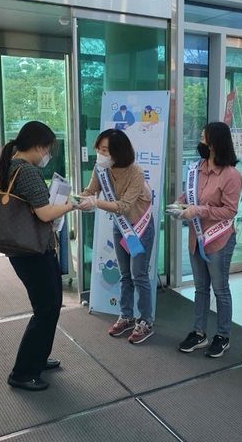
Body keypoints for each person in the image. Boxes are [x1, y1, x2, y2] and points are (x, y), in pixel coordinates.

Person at [0, 121, 78, 391]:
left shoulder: (12, 166)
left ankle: (38, 358)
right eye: (48, 149)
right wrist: (70, 205)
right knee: (46, 308)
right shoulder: (27, 171)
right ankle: (23, 372)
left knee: (49, 305)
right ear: (39, 146)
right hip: (33, 251)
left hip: (27, 250)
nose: (48, 154)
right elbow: (44, 213)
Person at [78, 129, 155, 344]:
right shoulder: (100, 169)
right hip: (120, 227)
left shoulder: (135, 172)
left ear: (118, 152)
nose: (100, 154)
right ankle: (126, 315)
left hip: (139, 228)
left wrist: (95, 202)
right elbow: (90, 191)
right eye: (99, 149)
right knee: (125, 275)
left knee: (139, 275)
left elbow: (124, 206)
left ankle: (146, 321)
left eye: (105, 150)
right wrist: (78, 199)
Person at [175, 122, 242, 358]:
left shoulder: (231, 175)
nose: (200, 142)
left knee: (220, 289)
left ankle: (223, 336)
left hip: (219, 240)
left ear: (214, 144)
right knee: (200, 288)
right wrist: (179, 205)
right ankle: (199, 332)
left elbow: (230, 211)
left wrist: (199, 210)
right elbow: (189, 195)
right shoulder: (197, 168)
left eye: (204, 138)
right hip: (196, 238)